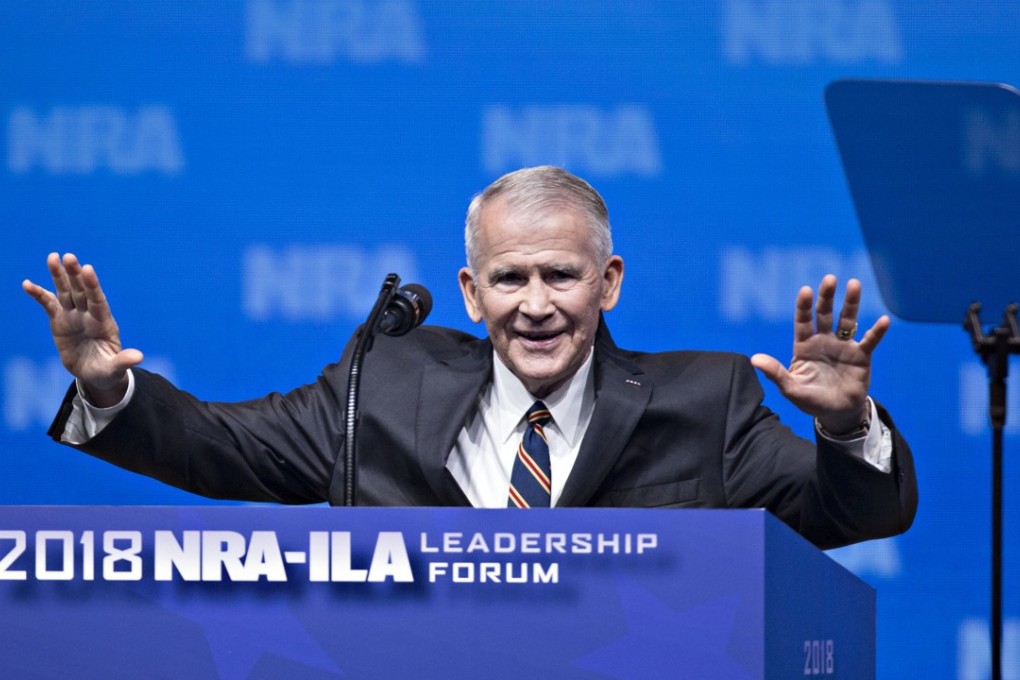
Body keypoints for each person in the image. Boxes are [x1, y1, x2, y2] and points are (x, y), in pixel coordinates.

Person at [23, 166, 916, 549]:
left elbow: (848, 517)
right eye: (510, 277)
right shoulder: (386, 378)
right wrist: (112, 390)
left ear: (608, 283)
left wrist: (845, 426)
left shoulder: (706, 398)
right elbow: (226, 447)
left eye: (561, 276)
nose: (535, 305)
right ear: (469, 291)